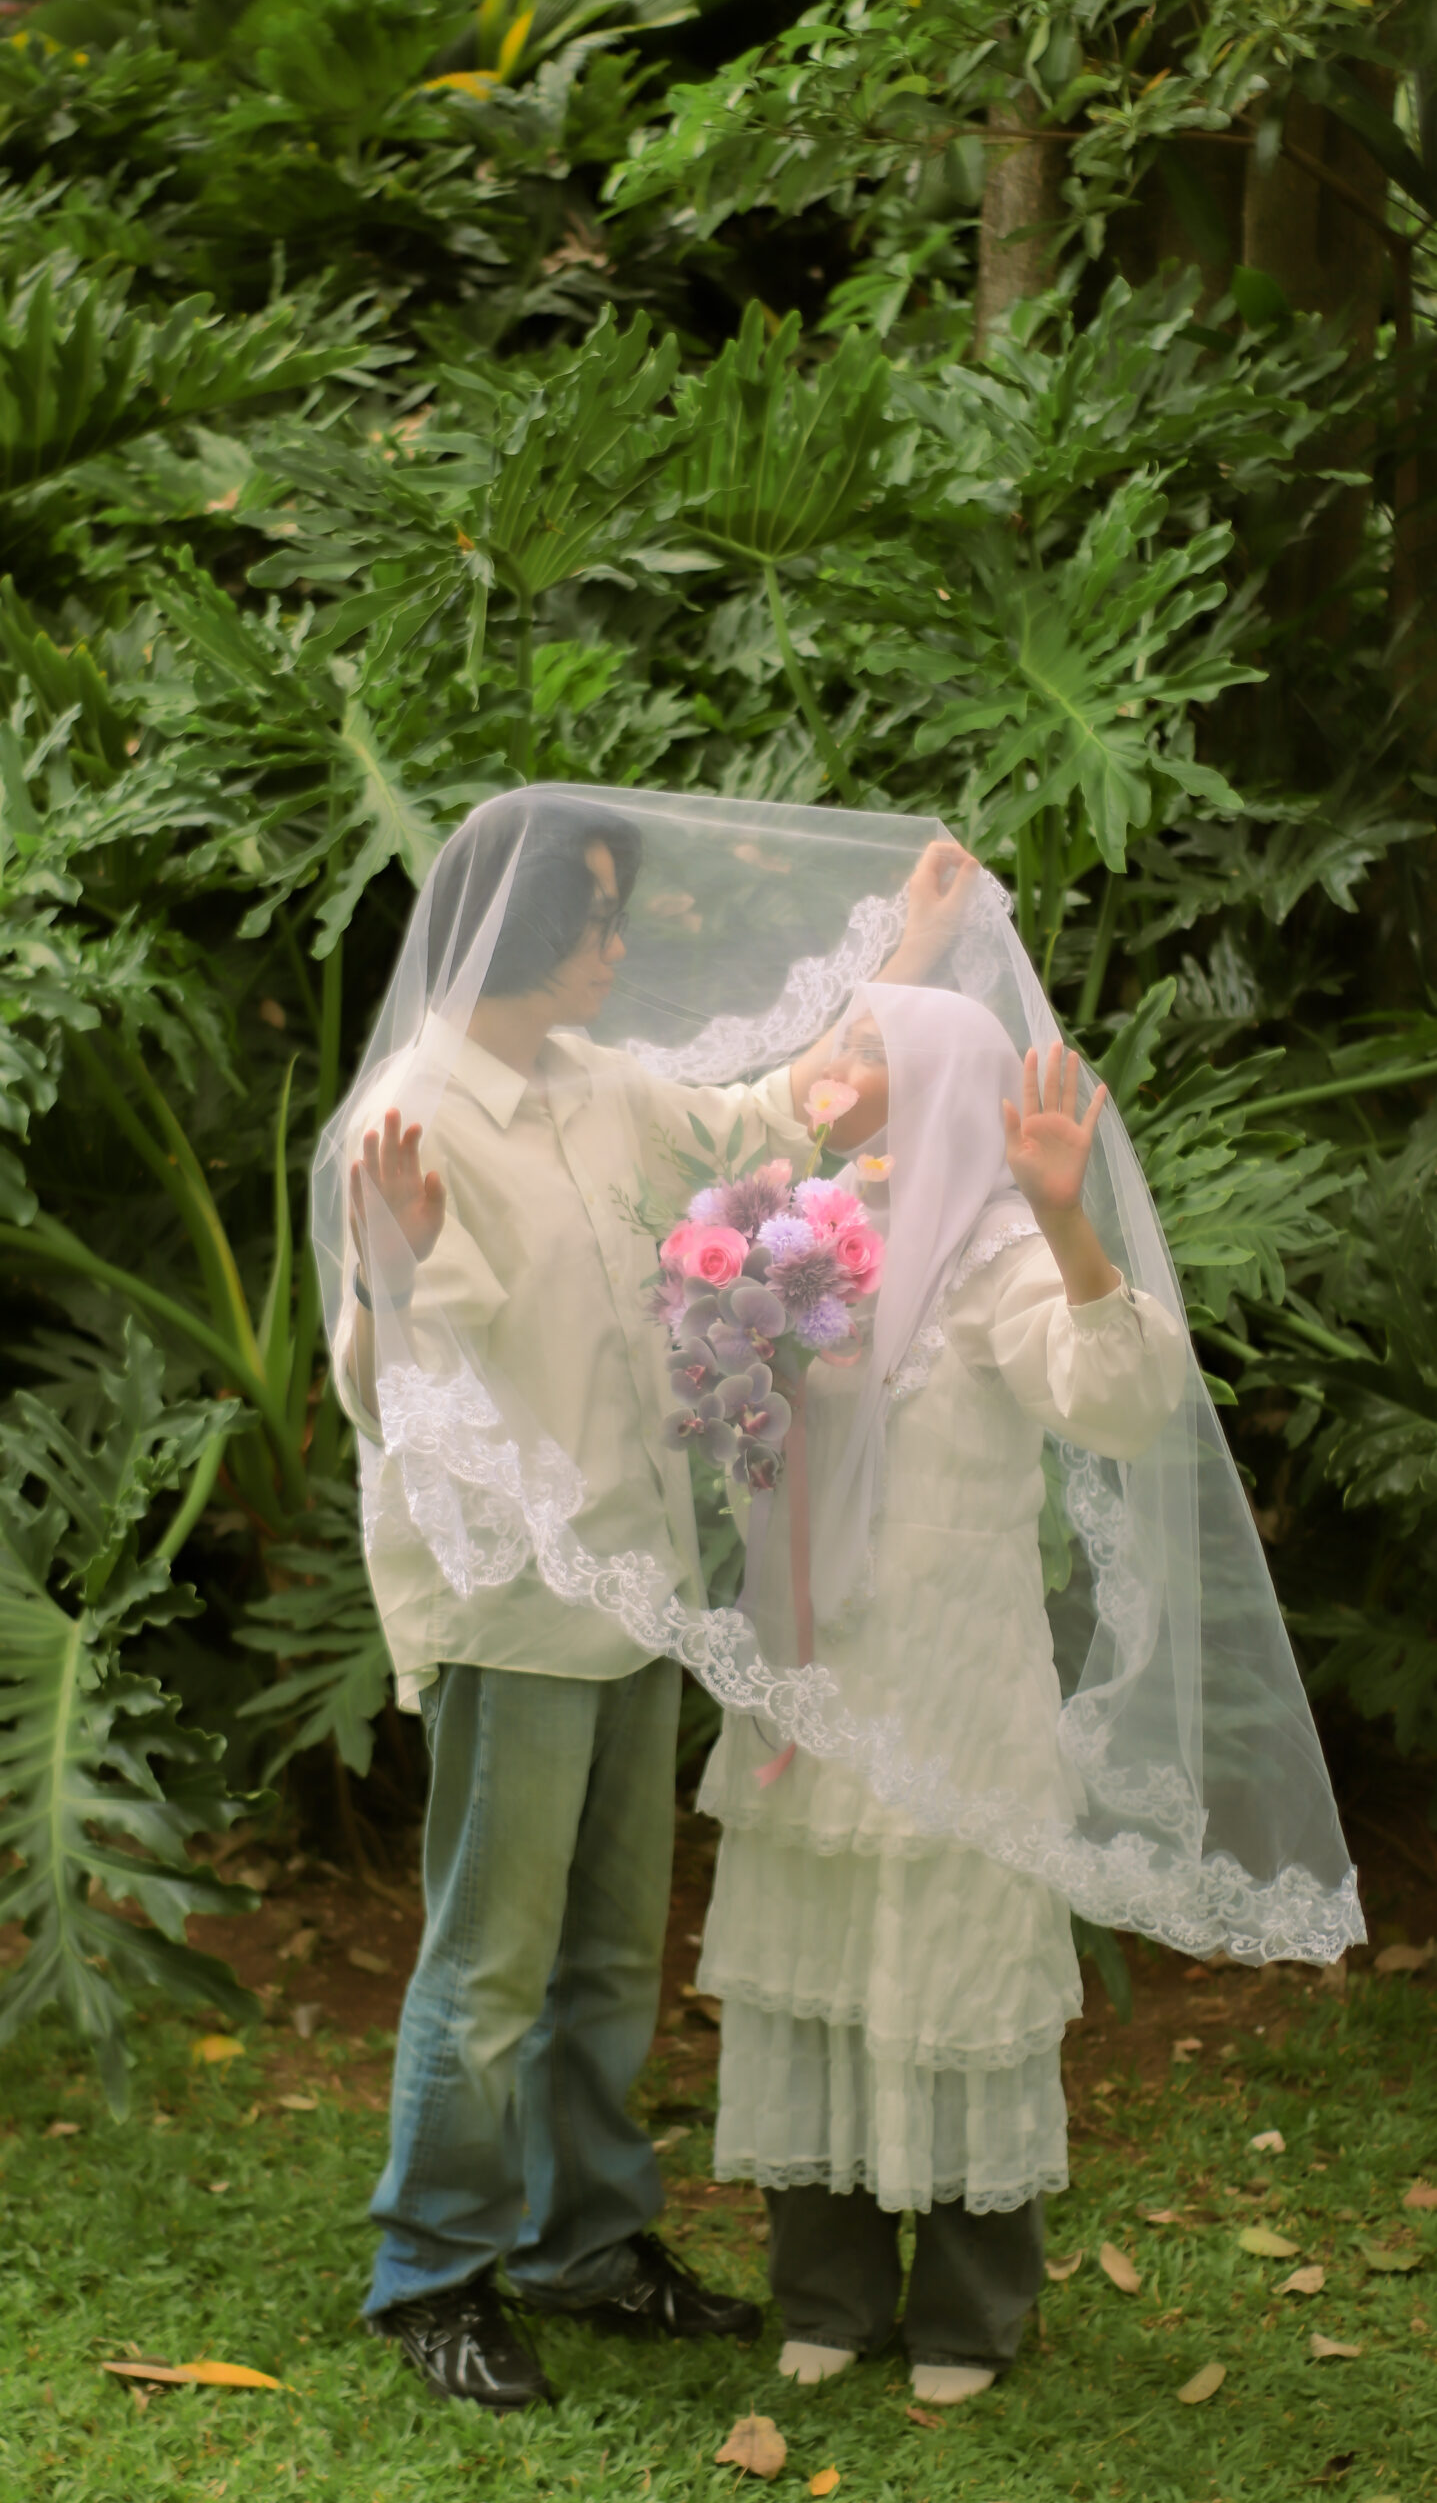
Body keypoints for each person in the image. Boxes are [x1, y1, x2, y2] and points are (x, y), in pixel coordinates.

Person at [330, 795, 974, 2411]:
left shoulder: (593, 1085)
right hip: (514, 1603)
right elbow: (389, 1388)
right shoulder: (413, 1121)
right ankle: (432, 2275)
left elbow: (764, 1120)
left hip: (638, 1584)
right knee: (494, 1961)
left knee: (613, 1952)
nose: (618, 946)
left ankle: (586, 2245)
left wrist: (906, 955)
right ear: (520, 928)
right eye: (597, 918)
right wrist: (393, 1271)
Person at [693, 989, 1189, 2403]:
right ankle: (827, 2292)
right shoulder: (793, 1230)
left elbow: (1122, 1399)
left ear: (935, 1081)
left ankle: (970, 2309)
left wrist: (1066, 1222)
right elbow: (744, 1430)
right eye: (844, 1042)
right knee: (817, 1957)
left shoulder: (998, 1249)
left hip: (953, 1672)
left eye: (869, 1049)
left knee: (956, 1955)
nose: (836, 1067)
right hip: (816, 1665)